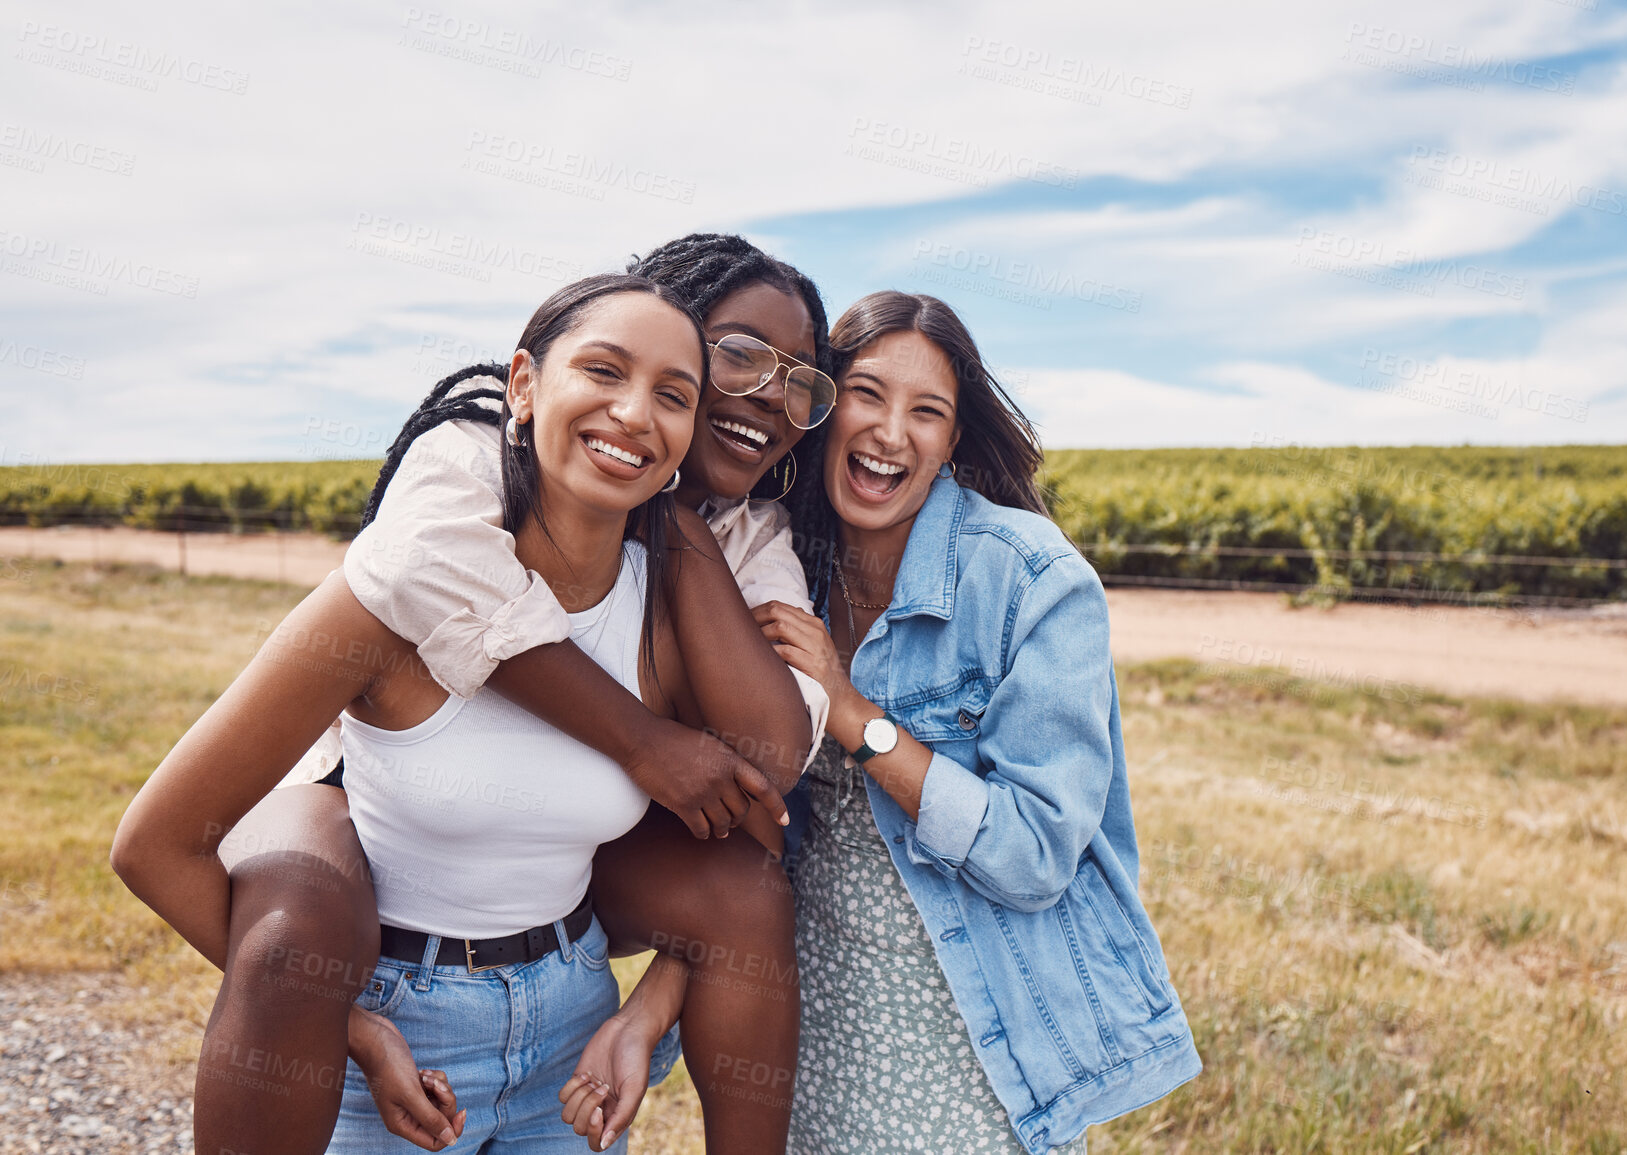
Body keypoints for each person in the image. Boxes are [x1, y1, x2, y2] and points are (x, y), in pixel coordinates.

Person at [139, 234, 835, 1155]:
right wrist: (643, 741)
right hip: (375, 870)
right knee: (298, 912)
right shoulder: (463, 470)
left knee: (747, 890)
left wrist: (677, 528)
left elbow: (770, 760)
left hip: (559, 984)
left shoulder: (729, 541)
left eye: (674, 393)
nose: (762, 395)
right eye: (736, 356)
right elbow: (417, 565)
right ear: (527, 383)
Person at [749, 291, 1204, 1153]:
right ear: (821, 403)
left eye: (927, 412)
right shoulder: (782, 559)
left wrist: (853, 714)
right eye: (868, 394)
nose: (891, 432)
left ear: (953, 441)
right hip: (817, 1023)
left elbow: (1034, 854)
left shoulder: (1032, 581)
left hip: (975, 1036)